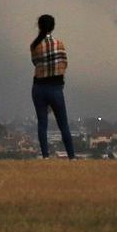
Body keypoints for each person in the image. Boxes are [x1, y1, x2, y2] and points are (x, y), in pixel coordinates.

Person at [30, 14, 75, 159]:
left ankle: (45, 156)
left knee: (42, 123)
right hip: (55, 88)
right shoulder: (59, 44)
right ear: (53, 26)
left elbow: (35, 63)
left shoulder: (35, 45)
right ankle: (72, 157)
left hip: (38, 88)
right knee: (63, 124)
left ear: (39, 26)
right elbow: (64, 65)